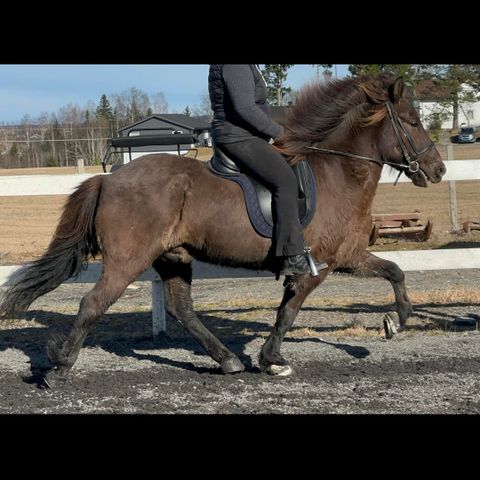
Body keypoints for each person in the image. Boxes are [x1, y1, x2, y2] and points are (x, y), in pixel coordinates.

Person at [208, 64, 321, 276]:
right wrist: (279, 133)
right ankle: (292, 255)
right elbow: (245, 109)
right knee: (285, 180)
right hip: (238, 136)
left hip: (247, 135)